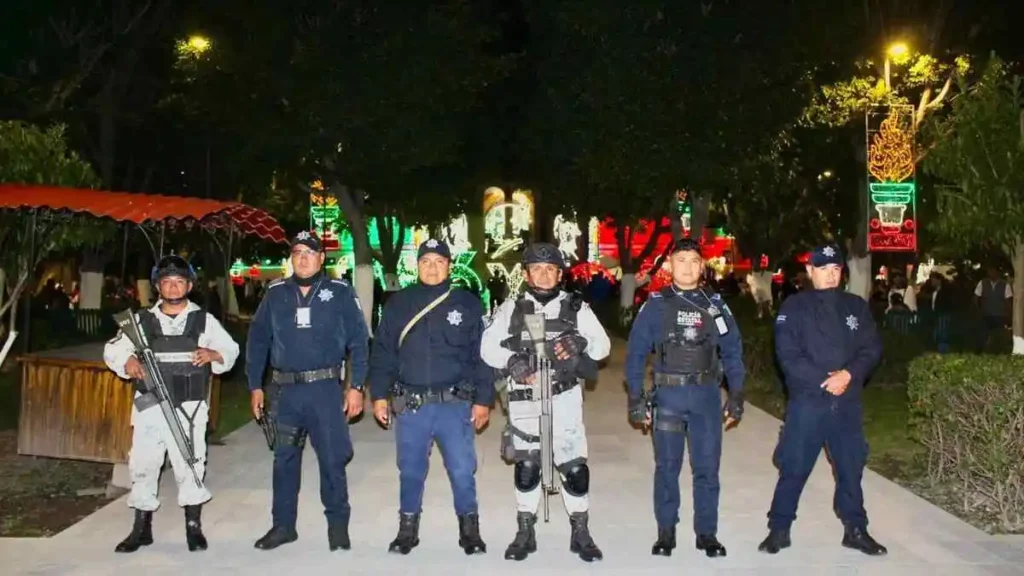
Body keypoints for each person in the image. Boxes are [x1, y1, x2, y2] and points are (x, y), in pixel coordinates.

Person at [481, 242, 611, 563]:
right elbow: (486, 348)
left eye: (550, 269)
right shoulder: (511, 308)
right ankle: (525, 530)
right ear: (526, 273)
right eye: (536, 269)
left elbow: (603, 346)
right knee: (527, 467)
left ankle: (580, 531)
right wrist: (512, 361)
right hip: (525, 400)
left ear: (559, 274)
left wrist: (580, 340)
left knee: (576, 469)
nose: (543, 274)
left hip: (565, 398)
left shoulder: (576, 307)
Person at [104, 255, 240, 553]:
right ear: (158, 287)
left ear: (189, 285)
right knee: (143, 463)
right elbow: (112, 349)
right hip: (150, 406)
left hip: (189, 408)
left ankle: (193, 527)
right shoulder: (140, 321)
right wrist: (126, 360)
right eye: (167, 282)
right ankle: (142, 527)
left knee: (191, 463)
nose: (173, 287)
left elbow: (230, 350)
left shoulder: (204, 320)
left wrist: (212, 355)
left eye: (179, 282)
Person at [368, 239, 494, 555]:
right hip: (412, 405)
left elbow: (483, 355)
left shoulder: (467, 303)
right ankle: (406, 532)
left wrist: (484, 399)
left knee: (463, 469)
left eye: (439, 261)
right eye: (426, 261)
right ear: (417, 266)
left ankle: (470, 532)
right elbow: (383, 352)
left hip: (454, 404)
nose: (433, 267)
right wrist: (379, 395)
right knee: (410, 470)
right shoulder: (399, 303)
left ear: (449, 266)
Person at [759, 244, 886, 556]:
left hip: (846, 402)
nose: (830, 274)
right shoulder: (794, 307)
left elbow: (871, 349)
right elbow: (787, 354)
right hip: (809, 401)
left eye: (836, 269)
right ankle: (779, 528)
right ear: (811, 272)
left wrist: (848, 375)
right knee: (794, 466)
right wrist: (824, 380)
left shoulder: (855, 306)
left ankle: (855, 529)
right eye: (823, 268)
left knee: (850, 467)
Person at [246, 231, 369, 551]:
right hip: (285, 393)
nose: (303, 258)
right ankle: (283, 526)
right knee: (284, 461)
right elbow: (258, 341)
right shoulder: (275, 293)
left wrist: (356, 387)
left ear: (321, 258)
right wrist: (255, 385)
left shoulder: (339, 291)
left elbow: (359, 342)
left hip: (325, 391)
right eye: (297, 252)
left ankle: (338, 528)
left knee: (332, 460)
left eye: (310, 252)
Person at [624, 238, 745, 559]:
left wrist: (736, 395)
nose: (688, 267)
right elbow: (635, 354)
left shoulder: (715, 304)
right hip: (668, 398)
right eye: (681, 260)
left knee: (707, 470)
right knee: (667, 468)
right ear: (670, 265)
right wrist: (635, 399)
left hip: (705, 398)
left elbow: (732, 351)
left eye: (694, 260)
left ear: (702, 266)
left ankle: (707, 533)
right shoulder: (655, 305)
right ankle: (666, 532)